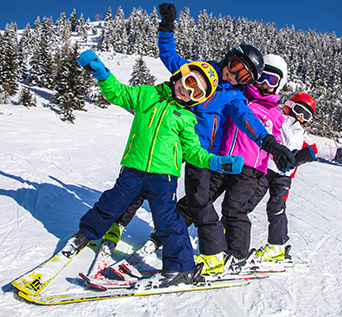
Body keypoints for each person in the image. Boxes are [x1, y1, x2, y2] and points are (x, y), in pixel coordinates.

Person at [102, 3, 295, 268]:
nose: (236, 76)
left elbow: (247, 120)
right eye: (237, 66)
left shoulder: (234, 97)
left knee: (198, 199)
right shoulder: (199, 72)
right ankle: (116, 225)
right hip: (169, 142)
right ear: (229, 57)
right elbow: (169, 56)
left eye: (244, 77)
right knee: (142, 184)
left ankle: (212, 252)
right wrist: (167, 27)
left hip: (200, 152)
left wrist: (270, 144)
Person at [62, 49, 245, 288]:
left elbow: (193, 152)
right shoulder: (147, 94)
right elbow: (118, 94)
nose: (187, 91)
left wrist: (215, 161)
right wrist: (102, 74)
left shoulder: (186, 118)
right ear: (180, 74)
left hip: (164, 176)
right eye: (189, 82)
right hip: (133, 168)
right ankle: (86, 233)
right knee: (112, 203)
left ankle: (181, 266)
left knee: (168, 220)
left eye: (196, 92)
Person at [186, 54, 291, 273]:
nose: (264, 83)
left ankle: (237, 255)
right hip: (222, 160)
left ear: (279, 85)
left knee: (234, 210)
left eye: (272, 80)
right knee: (199, 198)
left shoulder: (276, 114)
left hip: (250, 169)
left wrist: (282, 154)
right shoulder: (236, 96)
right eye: (261, 77)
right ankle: (164, 234)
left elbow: (279, 141)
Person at [248, 92, 342, 262]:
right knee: (249, 199)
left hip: (284, 176)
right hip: (265, 169)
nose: (300, 117)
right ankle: (231, 231)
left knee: (276, 207)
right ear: (289, 106)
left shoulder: (303, 136)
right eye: (299, 110)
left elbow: (318, 149)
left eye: (306, 115)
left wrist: (339, 153)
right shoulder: (278, 121)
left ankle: (277, 246)